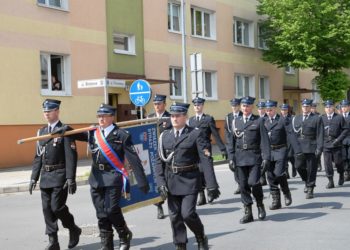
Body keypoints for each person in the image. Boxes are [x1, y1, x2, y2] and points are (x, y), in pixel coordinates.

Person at [74, 104, 150, 250]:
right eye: (99, 116)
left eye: (104, 116)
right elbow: (75, 135)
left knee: (111, 209)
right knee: (101, 213)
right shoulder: (93, 133)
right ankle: (106, 244)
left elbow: (133, 159)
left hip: (113, 176)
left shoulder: (122, 135)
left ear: (111, 117)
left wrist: (142, 181)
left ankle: (124, 234)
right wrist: (64, 129)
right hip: (96, 177)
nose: (101, 119)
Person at [155, 102, 220, 250]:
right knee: (174, 216)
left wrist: (211, 185)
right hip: (171, 181)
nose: (174, 119)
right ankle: (180, 244)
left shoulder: (195, 134)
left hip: (190, 180)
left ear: (185, 117)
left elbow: (206, 160)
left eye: (178, 116)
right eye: (172, 116)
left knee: (187, 214)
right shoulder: (165, 136)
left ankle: (200, 235)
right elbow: (159, 162)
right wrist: (160, 182)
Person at [29, 99, 81, 250]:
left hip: (60, 175)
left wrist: (71, 177)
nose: (46, 113)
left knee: (56, 207)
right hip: (46, 176)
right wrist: (34, 177)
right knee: (47, 209)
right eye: (44, 111)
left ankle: (73, 228)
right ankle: (53, 242)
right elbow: (38, 156)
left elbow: (71, 156)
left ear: (57, 111)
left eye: (49, 111)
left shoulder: (65, 130)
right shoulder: (41, 132)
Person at [229, 96, 270, 224]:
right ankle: (248, 212)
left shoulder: (258, 121)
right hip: (240, 158)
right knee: (243, 186)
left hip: (254, 157)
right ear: (240, 107)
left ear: (252, 107)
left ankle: (259, 204)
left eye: (247, 106)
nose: (245, 108)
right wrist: (231, 158)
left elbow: (264, 141)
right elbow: (231, 143)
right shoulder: (236, 121)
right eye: (243, 106)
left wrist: (266, 158)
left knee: (253, 182)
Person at [264, 100, 303, 209]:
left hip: (280, 149)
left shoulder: (282, 120)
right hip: (269, 151)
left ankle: (286, 192)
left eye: (270, 110)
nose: (268, 112)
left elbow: (291, 135)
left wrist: (298, 151)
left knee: (279, 173)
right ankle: (276, 201)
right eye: (267, 110)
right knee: (270, 176)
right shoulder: (263, 121)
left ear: (275, 109)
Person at [188, 97, 227, 206]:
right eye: (195, 105)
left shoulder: (208, 119)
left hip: (205, 149)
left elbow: (215, 134)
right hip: (194, 150)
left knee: (207, 171)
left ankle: (211, 191)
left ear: (202, 106)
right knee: (197, 172)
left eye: (199, 105)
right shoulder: (191, 120)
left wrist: (222, 149)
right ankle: (201, 196)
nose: (197, 106)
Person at [292, 99, 324, 199]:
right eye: (303, 106)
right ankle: (306, 180)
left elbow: (320, 134)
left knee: (311, 169)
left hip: (311, 146)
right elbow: (293, 134)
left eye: (307, 106)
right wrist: (295, 147)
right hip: (299, 147)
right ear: (301, 107)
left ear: (310, 107)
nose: (305, 108)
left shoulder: (317, 118)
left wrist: (319, 148)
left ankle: (310, 188)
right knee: (298, 166)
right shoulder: (296, 118)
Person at [147, 94, 172, 219]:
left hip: (167, 153)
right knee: (157, 179)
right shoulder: (149, 117)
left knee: (168, 178)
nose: (157, 106)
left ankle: (172, 203)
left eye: (159, 104)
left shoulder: (170, 117)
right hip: (153, 154)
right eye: (155, 104)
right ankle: (159, 206)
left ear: (164, 104)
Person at [320, 100, 348, 188]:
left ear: (333, 108)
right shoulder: (321, 118)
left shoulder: (339, 117)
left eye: (330, 107)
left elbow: (345, 130)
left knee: (338, 162)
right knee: (327, 164)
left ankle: (341, 174)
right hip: (326, 144)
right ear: (325, 109)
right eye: (326, 107)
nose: (328, 109)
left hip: (337, 144)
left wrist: (338, 140)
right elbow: (319, 132)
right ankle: (330, 181)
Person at [224, 98, 243, 195]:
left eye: (235, 106)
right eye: (232, 106)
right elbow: (227, 132)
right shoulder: (228, 117)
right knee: (234, 165)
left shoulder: (243, 115)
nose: (234, 107)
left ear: (239, 106)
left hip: (242, 145)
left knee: (242, 165)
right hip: (232, 145)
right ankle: (239, 184)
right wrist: (228, 145)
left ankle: (243, 184)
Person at [280, 103, 297, 179]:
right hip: (282, 140)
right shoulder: (278, 118)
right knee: (284, 157)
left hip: (290, 140)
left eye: (285, 110)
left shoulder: (292, 118)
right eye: (282, 110)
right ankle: (286, 172)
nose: (283, 111)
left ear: (287, 110)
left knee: (291, 156)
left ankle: (294, 166)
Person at [256, 100, 268, 186]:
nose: (260, 110)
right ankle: (262, 177)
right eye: (259, 109)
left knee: (267, 160)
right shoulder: (256, 119)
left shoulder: (268, 118)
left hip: (267, 142)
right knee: (260, 160)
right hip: (258, 143)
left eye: (262, 108)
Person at [340, 99, 350, 181]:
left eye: (345, 106)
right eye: (342, 106)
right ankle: (346, 171)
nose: (343, 108)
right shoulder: (338, 117)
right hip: (342, 140)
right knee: (344, 157)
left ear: (349, 107)